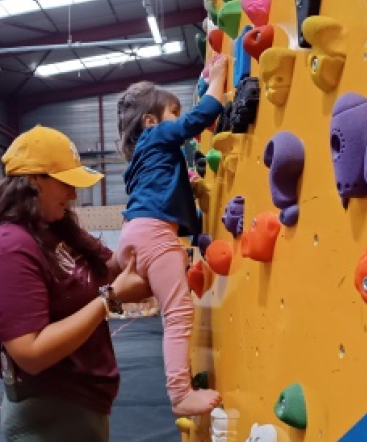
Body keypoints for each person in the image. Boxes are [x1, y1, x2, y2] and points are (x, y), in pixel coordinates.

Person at [0, 125, 152, 442]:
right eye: (65, 183)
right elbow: (32, 352)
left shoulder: (57, 228)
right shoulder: (8, 247)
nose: (73, 194)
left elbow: (110, 268)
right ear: (33, 180)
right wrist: (108, 301)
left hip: (84, 404)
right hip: (48, 411)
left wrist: (148, 233)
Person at [115, 55, 228, 416]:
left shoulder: (142, 160)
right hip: (153, 234)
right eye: (173, 113)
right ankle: (179, 393)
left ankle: (181, 388)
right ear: (151, 121)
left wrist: (193, 202)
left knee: (172, 307)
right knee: (178, 314)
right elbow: (201, 118)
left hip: (133, 234)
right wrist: (218, 79)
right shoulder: (156, 135)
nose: (178, 121)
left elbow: (178, 209)